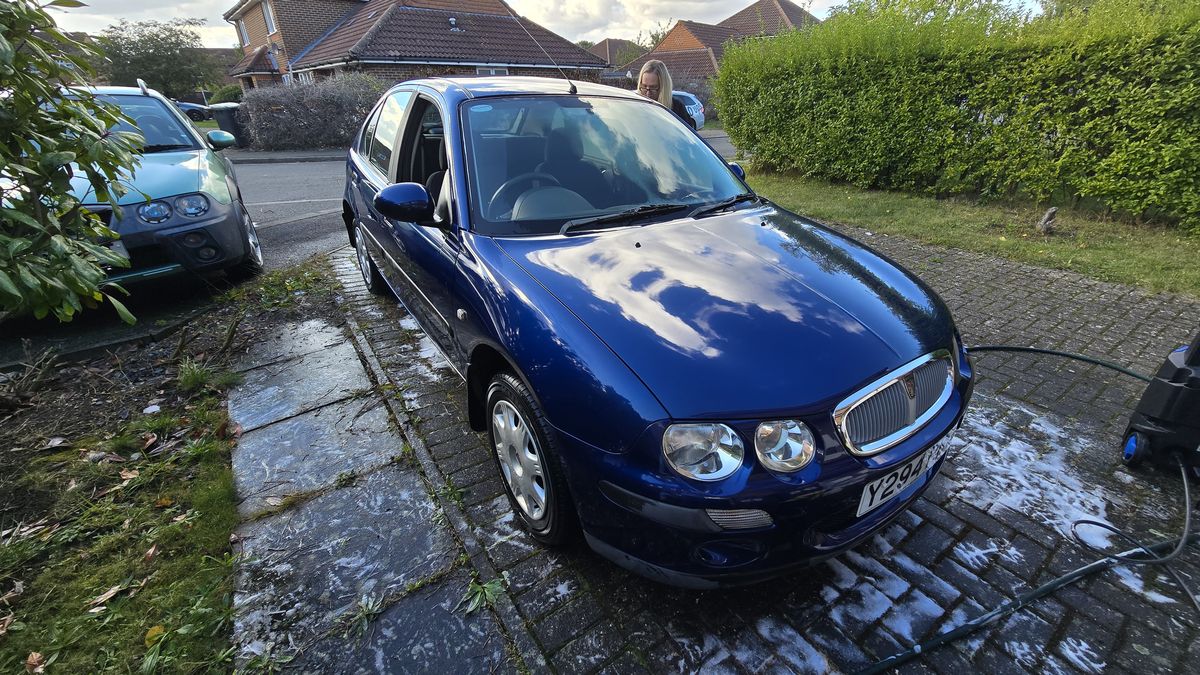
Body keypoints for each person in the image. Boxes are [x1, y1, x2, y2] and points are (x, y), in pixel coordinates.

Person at [636, 60, 692, 124]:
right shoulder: (634, 107)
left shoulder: (678, 109)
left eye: (653, 87)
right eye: (644, 86)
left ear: (664, 87)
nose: (648, 93)